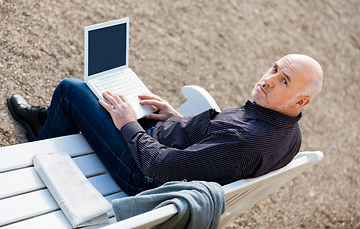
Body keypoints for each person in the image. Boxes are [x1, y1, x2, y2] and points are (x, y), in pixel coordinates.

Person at [7, 54, 323, 196]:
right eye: (274, 68)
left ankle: (41, 137)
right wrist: (178, 120)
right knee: (114, 96)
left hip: (140, 172)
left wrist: (129, 124)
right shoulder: (289, 131)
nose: (267, 80)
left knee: (71, 90)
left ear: (301, 100)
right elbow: (213, 151)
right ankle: (53, 122)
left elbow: (158, 167)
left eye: (284, 80)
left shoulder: (245, 140)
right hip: (167, 146)